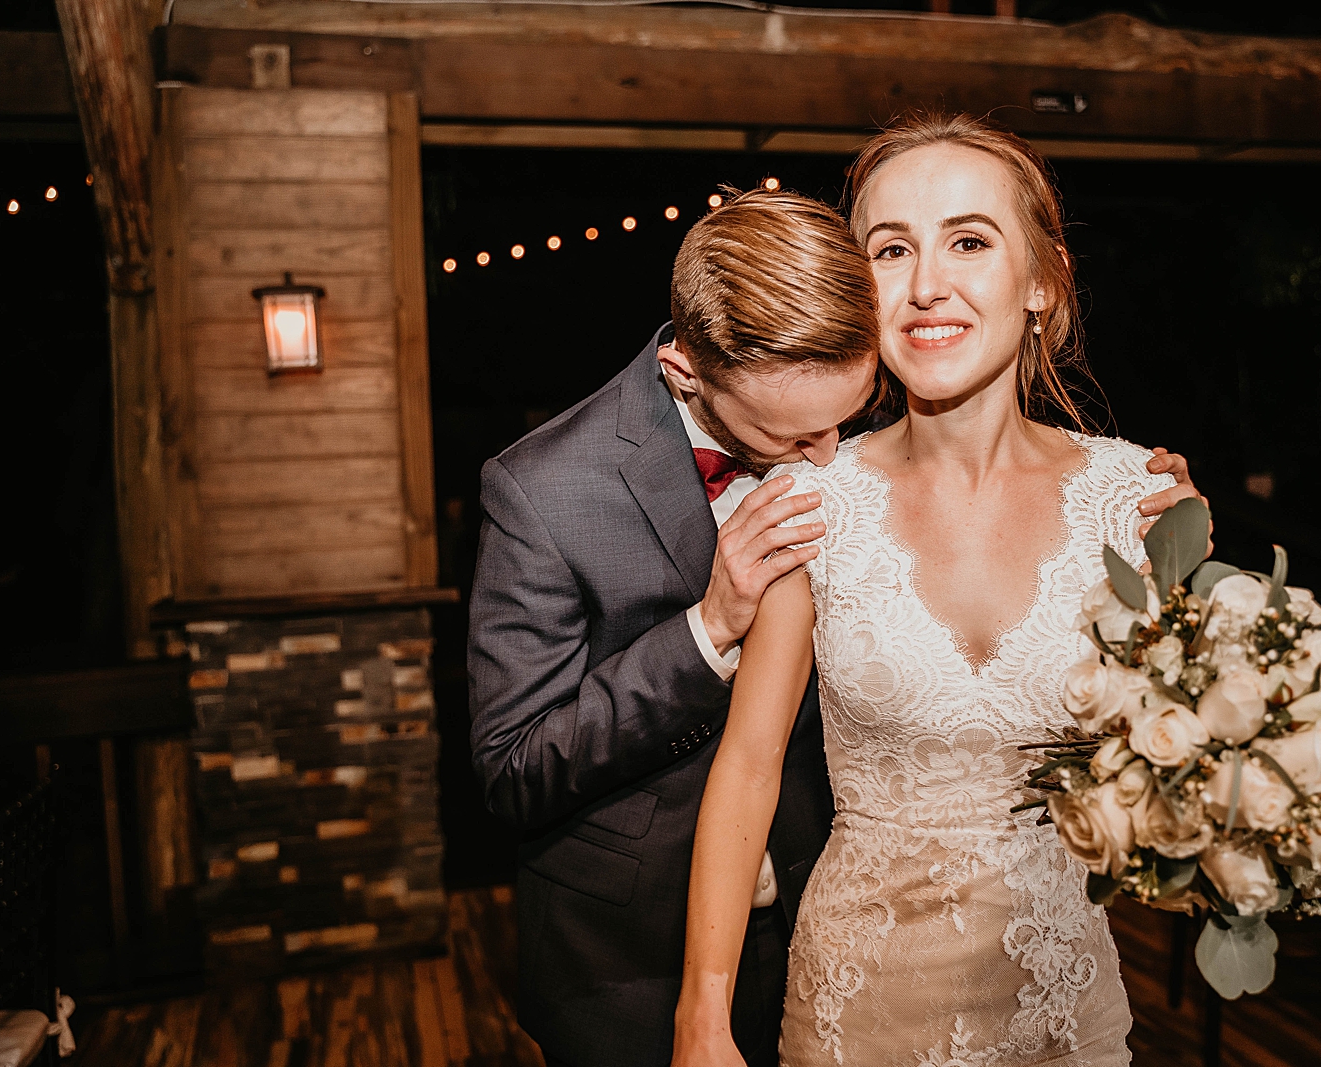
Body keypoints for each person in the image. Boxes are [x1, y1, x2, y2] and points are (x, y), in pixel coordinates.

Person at [470, 187, 1203, 1067]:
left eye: (844, 421)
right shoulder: (544, 488)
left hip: (838, 916)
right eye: (793, 435)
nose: (825, 457)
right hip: (630, 958)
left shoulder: (863, 437)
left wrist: (1157, 535)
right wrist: (708, 628)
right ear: (686, 374)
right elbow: (514, 768)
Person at [672, 115, 1184, 1067]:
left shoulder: (1138, 501)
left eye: (969, 241)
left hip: (1064, 1013)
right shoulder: (813, 501)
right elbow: (748, 765)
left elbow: (1177, 771)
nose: (926, 285)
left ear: (1041, 281)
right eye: (891, 249)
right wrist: (702, 1020)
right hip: (855, 1012)